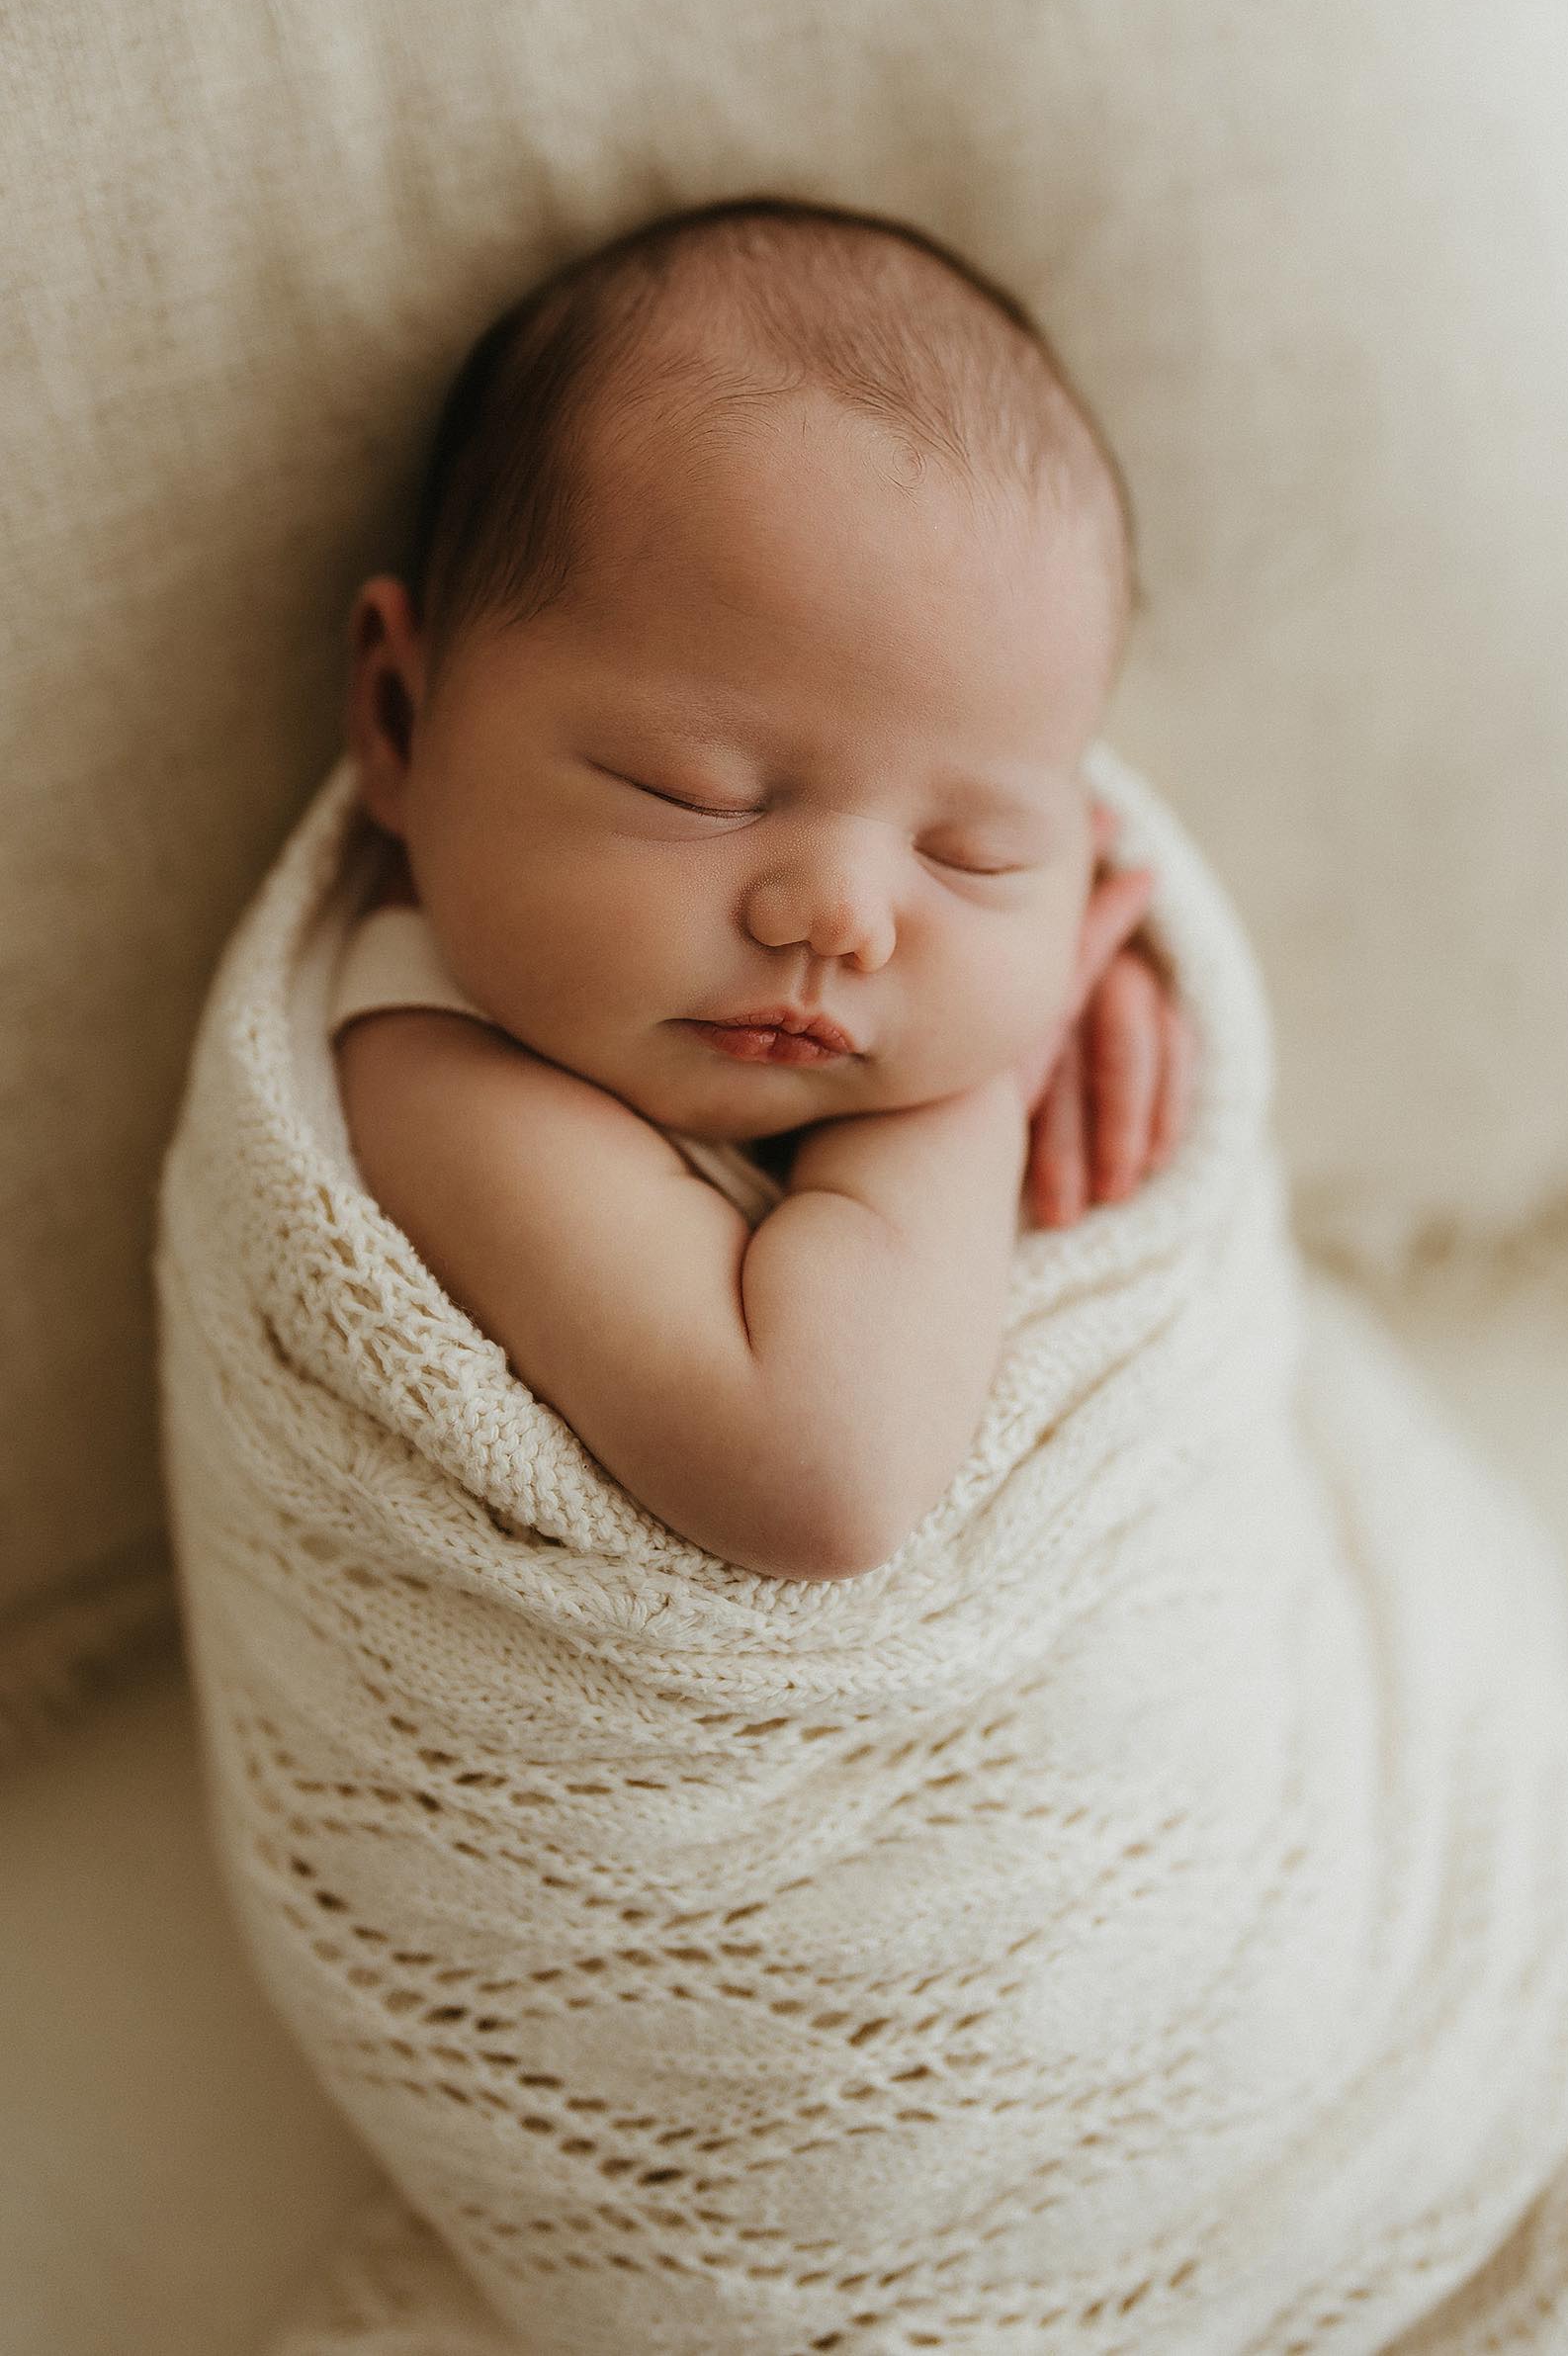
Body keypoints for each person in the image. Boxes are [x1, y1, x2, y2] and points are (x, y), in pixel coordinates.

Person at [331, 199, 1195, 1582]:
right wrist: (987, 1084)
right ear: (399, 717)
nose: (842, 917)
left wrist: (1104, 990)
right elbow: (821, 1477)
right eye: (696, 792)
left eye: (973, 852)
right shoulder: (430, 1070)